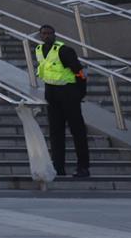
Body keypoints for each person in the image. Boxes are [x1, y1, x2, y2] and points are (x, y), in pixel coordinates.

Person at [33, 24, 90, 180]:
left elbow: (80, 72)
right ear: (40, 36)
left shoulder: (64, 50)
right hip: (52, 95)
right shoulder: (39, 50)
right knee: (55, 133)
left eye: (49, 33)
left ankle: (83, 167)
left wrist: (80, 93)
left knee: (77, 131)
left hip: (69, 93)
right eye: (43, 34)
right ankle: (58, 167)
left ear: (54, 34)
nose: (46, 36)